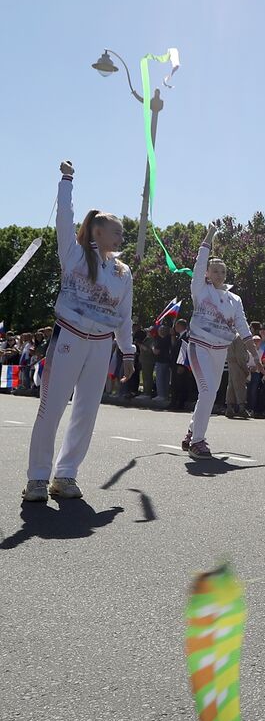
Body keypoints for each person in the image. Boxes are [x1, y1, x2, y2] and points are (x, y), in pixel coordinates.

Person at [23, 161, 136, 502]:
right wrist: (66, 181)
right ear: (97, 232)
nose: (121, 236)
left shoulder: (122, 272)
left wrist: (127, 351)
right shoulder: (73, 253)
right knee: (52, 407)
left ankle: (66, 475)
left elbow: (124, 315)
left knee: (87, 411)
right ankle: (38, 479)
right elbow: (64, 217)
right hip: (69, 337)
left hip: (101, 346)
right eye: (116, 231)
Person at [182, 227, 256, 458]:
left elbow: (243, 327)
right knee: (206, 391)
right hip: (199, 347)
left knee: (210, 393)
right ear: (206, 273)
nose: (219, 275)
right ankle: (198, 442)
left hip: (220, 351)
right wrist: (208, 236)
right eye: (214, 271)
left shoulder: (234, 299)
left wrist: (255, 355)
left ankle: (191, 433)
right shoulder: (200, 290)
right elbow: (199, 261)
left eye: (222, 271)